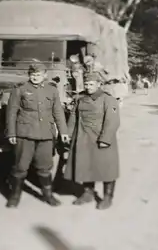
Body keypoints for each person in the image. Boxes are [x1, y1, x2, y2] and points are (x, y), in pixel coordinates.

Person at [5, 61, 70, 208]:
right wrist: (11, 132)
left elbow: (58, 111)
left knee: (45, 165)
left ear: (45, 75)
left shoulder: (52, 90)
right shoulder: (20, 89)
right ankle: (14, 196)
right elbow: (11, 112)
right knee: (20, 166)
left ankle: (48, 195)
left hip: (46, 133)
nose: (35, 77)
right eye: (33, 74)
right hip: (24, 133)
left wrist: (63, 131)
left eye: (38, 75)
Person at [64, 71, 121, 210]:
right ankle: (88, 193)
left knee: (107, 168)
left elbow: (113, 121)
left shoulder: (108, 99)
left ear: (99, 84)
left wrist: (105, 139)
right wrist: (68, 133)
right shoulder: (80, 98)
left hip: (101, 138)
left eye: (91, 84)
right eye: (86, 84)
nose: (88, 87)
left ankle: (107, 197)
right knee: (86, 165)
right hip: (83, 137)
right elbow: (73, 117)